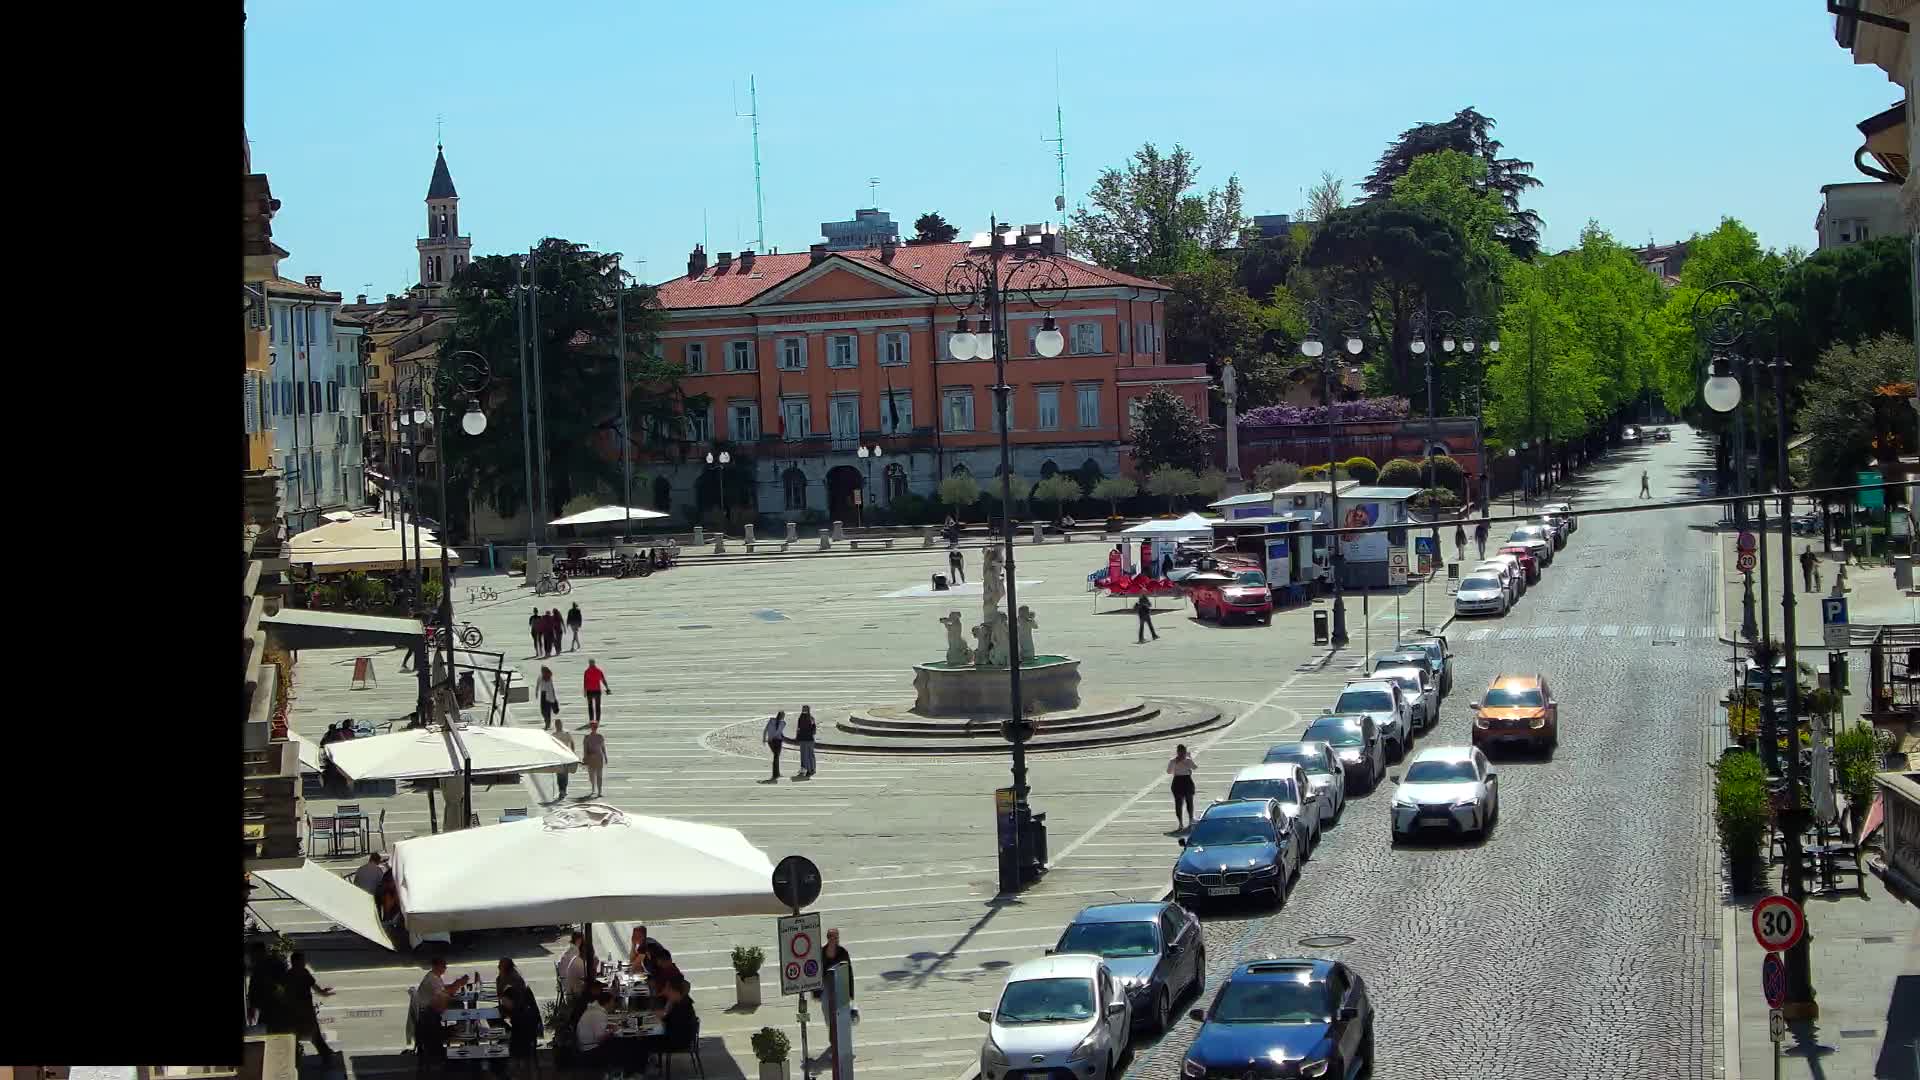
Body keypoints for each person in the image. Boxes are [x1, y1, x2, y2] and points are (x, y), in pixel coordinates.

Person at [636, 977, 698, 1074]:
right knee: (642, 1038)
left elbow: (669, 1027)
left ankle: (640, 1070)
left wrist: (651, 1026)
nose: (666, 992)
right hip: (678, 1037)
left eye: (668, 989)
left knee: (641, 1041)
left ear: (675, 991)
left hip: (677, 1041)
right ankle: (646, 1066)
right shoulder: (682, 1002)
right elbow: (666, 1020)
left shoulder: (681, 1007)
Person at [287, 951, 336, 1064]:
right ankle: (324, 1054)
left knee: (309, 1034)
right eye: (302, 961)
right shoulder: (293, 975)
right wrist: (323, 993)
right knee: (305, 1034)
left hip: (302, 1009)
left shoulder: (299, 973)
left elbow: (313, 986)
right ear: (296, 962)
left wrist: (323, 992)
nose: (304, 963)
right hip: (299, 1010)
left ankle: (324, 1054)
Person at [497, 977, 542, 1080]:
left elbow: (516, 1037)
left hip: (521, 1047)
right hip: (526, 1044)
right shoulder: (523, 1009)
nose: (504, 1004)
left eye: (505, 1001)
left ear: (511, 1000)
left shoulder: (519, 1015)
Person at [810, 928, 857, 1017]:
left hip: (841, 988)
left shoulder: (843, 952)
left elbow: (849, 972)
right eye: (832, 937)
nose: (834, 939)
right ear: (828, 938)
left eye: (836, 937)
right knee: (828, 1014)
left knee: (842, 1014)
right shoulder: (821, 953)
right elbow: (815, 973)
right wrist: (815, 993)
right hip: (825, 988)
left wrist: (850, 993)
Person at [573, 989, 616, 1067]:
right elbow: (599, 1038)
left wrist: (607, 1026)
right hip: (590, 1049)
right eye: (613, 1002)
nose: (614, 1004)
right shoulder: (599, 1014)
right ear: (607, 1002)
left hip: (583, 1046)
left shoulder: (594, 1010)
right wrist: (612, 1031)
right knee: (618, 1045)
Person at [1167, 744, 1198, 830]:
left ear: (1177, 752)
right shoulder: (1188, 760)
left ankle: (1180, 823)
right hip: (1187, 781)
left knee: (1178, 803)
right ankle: (1191, 819)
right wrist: (1189, 757)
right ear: (1185, 752)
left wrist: (1176, 766)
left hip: (1177, 781)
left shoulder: (1173, 761)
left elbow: (1169, 771)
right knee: (1189, 802)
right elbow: (1195, 767)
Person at [581, 720, 607, 799]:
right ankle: (593, 788)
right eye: (593, 727)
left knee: (599, 776)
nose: (594, 728)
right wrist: (585, 759)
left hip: (599, 758)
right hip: (590, 759)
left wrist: (605, 756)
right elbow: (585, 749)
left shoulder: (600, 737)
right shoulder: (587, 738)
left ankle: (599, 791)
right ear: (590, 728)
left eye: (596, 727)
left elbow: (603, 747)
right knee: (592, 776)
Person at [556, 932, 586, 1000]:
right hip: (568, 981)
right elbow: (579, 969)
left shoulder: (571, 948)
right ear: (579, 940)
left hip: (564, 979)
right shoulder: (574, 951)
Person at [582, 659, 610, 726]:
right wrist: (607, 688)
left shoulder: (587, 671)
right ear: (594, 663)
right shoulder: (598, 671)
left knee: (590, 706)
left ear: (589, 663)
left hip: (589, 691)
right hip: (597, 690)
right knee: (597, 706)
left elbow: (585, 682)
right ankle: (597, 720)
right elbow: (603, 680)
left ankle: (591, 720)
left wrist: (585, 691)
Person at [552, 725, 576, 801]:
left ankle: (564, 789)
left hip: (565, 756)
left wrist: (572, 752)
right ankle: (561, 790)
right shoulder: (553, 735)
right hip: (558, 757)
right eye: (557, 724)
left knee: (565, 773)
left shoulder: (566, 733)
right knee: (559, 774)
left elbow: (572, 742)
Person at [762, 711, 787, 782]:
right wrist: (764, 739)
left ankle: (777, 774)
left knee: (776, 757)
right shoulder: (778, 722)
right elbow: (767, 730)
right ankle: (775, 774)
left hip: (775, 741)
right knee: (776, 756)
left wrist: (764, 739)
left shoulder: (781, 723)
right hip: (774, 741)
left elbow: (767, 730)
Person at [795, 705, 818, 779]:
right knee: (810, 755)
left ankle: (806, 769)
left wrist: (797, 737)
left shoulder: (800, 718)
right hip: (810, 739)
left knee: (804, 755)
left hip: (803, 739)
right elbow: (814, 731)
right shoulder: (811, 718)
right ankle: (812, 769)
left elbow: (798, 729)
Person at [536, 666, 560, 731]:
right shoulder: (540, 677)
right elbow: (538, 684)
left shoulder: (549, 678)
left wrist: (554, 696)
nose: (542, 672)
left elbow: (552, 687)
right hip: (543, 694)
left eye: (542, 670)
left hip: (549, 695)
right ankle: (547, 722)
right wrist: (536, 692)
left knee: (547, 710)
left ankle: (547, 723)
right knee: (543, 711)